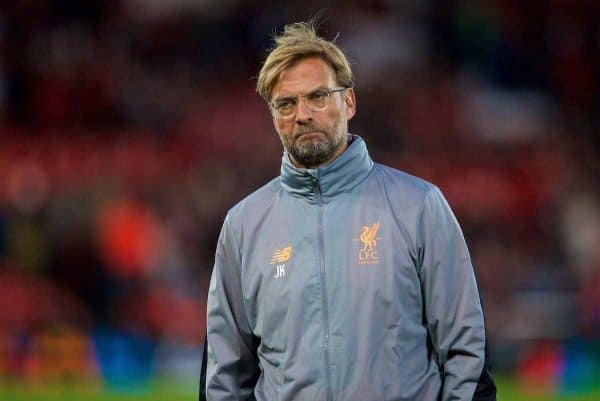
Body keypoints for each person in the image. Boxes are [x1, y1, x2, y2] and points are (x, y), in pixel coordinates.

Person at [200, 21, 496, 401]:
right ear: (273, 116)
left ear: (349, 102)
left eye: (318, 96)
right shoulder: (243, 225)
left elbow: (466, 352)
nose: (302, 114)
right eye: (286, 104)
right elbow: (223, 374)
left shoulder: (419, 207)